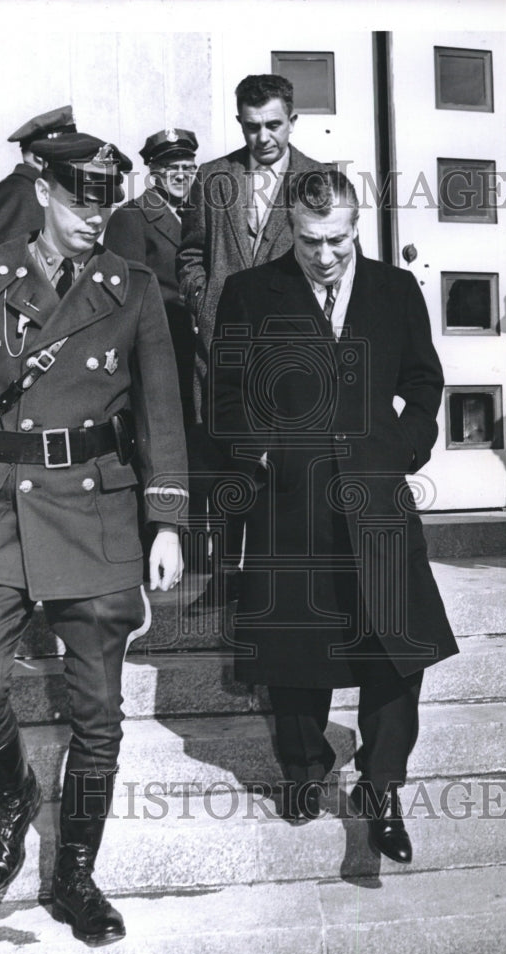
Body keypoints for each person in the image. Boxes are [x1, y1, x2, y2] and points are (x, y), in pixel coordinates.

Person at [0, 133, 188, 947]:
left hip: (97, 512)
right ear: (44, 191)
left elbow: (162, 411)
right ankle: (16, 795)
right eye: (81, 199)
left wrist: (166, 520)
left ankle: (74, 876)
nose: (95, 216)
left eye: (106, 202)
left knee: (98, 720)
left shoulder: (132, 287)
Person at [209, 169, 459, 863]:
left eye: (337, 241)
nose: (324, 256)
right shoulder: (249, 292)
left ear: (356, 228)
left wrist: (403, 447)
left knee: (395, 649)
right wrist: (262, 454)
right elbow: (224, 398)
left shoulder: (394, 290)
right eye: (310, 241)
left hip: (377, 497)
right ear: (290, 228)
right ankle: (302, 769)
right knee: (295, 650)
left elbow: (423, 382)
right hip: (291, 501)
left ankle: (381, 789)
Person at [176, 74, 323, 606]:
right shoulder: (215, 176)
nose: (263, 137)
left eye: (274, 125)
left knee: (282, 466)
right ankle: (223, 576)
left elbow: (332, 260)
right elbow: (190, 254)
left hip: (289, 355)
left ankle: (276, 580)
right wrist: (204, 302)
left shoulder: (319, 180)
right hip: (222, 350)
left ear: (293, 121)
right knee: (225, 462)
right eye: (251, 126)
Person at [104, 127, 198, 429]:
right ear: (154, 172)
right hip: (159, 350)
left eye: (188, 168)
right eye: (172, 168)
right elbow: (125, 301)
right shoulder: (130, 217)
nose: (182, 175)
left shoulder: (198, 216)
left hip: (196, 351)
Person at [0, 105, 77, 244]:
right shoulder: (19, 192)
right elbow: (14, 254)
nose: (72, 161)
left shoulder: (36, 189)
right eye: (66, 154)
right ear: (40, 155)